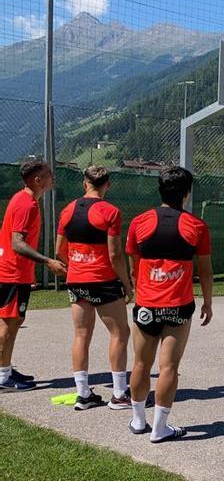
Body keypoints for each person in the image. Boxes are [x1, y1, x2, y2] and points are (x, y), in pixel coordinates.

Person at [126, 167, 212, 443]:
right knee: (169, 368)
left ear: (160, 190)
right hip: (178, 306)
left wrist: (139, 289)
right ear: (186, 195)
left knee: (140, 363)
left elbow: (134, 264)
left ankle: (139, 421)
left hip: (147, 304)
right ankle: (160, 428)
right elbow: (206, 271)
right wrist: (208, 302)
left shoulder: (139, 222)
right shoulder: (197, 226)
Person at [56, 166, 134, 410]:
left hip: (76, 279)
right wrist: (127, 284)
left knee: (81, 334)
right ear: (107, 185)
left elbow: (59, 249)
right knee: (120, 333)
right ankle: (120, 394)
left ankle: (83, 393)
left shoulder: (67, 210)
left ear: (84, 183)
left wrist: (75, 266)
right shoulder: (110, 212)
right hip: (103, 280)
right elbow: (115, 254)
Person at [0, 160, 66, 392]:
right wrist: (47, 261)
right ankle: (3, 377)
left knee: (15, 321)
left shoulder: (26, 200)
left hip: (18, 273)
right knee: (9, 323)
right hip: (12, 274)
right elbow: (16, 243)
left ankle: (5, 369)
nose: (52, 177)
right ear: (37, 180)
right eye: (48, 174)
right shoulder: (26, 204)